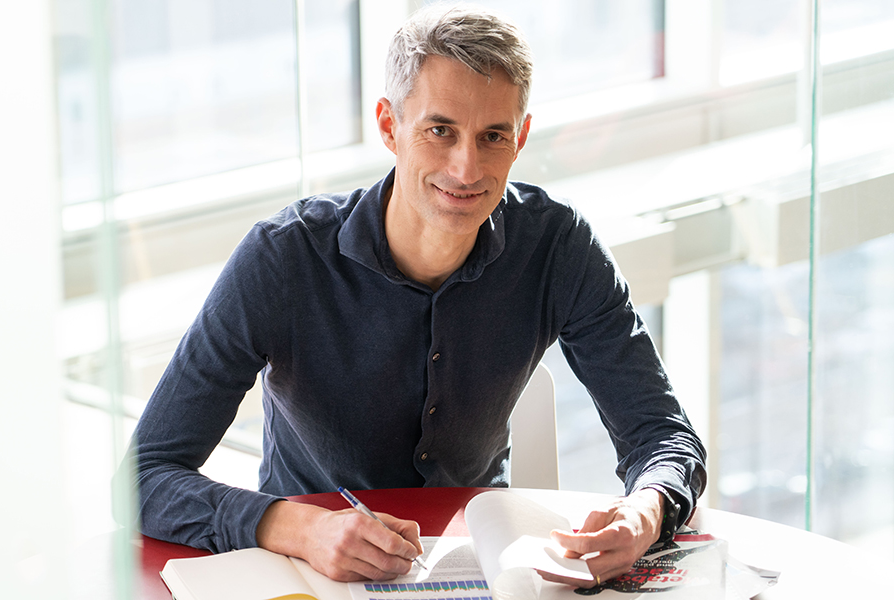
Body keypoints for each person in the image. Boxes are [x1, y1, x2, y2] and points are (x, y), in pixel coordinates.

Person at [119, 4, 706, 589]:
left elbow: (663, 435)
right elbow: (145, 476)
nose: (466, 167)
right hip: (306, 572)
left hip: (478, 568)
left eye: (493, 136)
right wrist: (301, 528)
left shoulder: (559, 246)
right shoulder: (283, 259)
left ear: (520, 138)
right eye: (439, 130)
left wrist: (644, 512)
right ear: (388, 125)